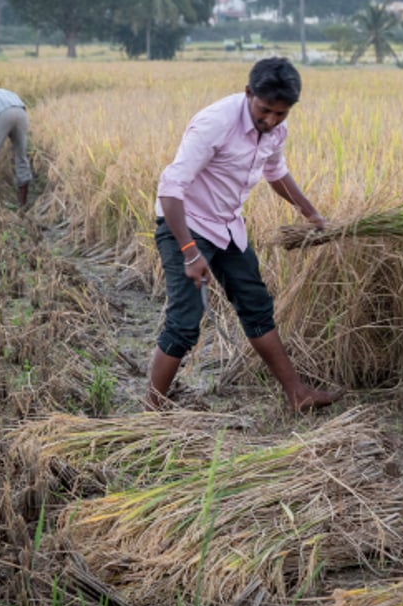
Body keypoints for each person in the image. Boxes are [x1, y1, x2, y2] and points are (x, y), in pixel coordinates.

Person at [145, 57, 342, 412]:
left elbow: (275, 171)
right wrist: (190, 251)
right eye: (265, 110)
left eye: (281, 114)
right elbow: (170, 189)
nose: (271, 121)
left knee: (257, 307)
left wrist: (311, 213)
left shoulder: (276, 130)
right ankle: (151, 411)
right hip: (186, 225)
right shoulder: (215, 123)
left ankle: (297, 394)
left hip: (228, 228)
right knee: (185, 322)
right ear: (248, 92)